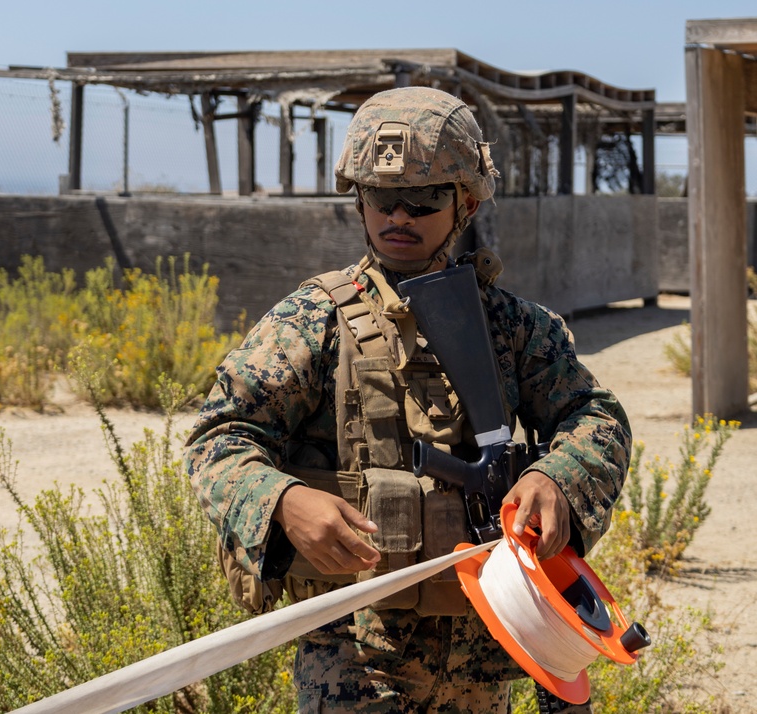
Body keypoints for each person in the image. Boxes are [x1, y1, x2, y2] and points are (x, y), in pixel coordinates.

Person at [185, 86, 631, 713]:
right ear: (358, 200)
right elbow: (218, 439)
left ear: (467, 201)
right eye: (381, 199)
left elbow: (596, 417)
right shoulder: (313, 321)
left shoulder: (514, 327)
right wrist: (283, 500)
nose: (399, 217)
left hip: (489, 651)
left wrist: (557, 477)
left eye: (422, 200)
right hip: (354, 656)